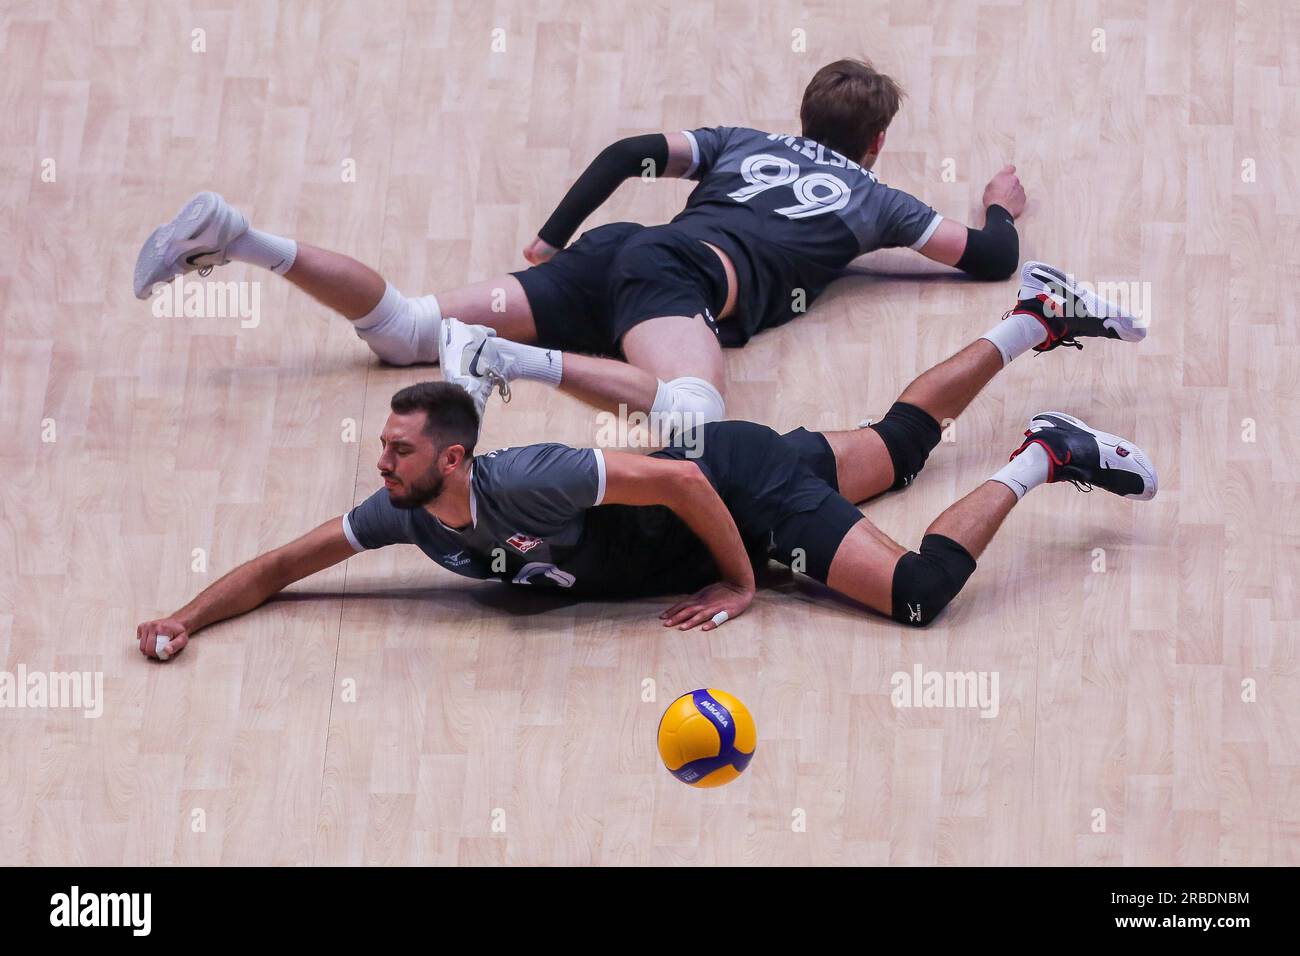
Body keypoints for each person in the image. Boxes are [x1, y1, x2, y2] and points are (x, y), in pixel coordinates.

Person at [135, 270, 1151, 660]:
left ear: (451, 458)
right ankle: (1035, 316)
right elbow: (278, 565)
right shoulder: (406, 513)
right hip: (729, 460)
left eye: (396, 449)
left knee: (921, 596)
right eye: (382, 447)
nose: (379, 460)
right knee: (895, 449)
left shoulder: (526, 476)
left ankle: (1043, 453)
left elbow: (677, 481)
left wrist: (745, 581)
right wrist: (186, 613)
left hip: (736, 491)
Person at [132, 59, 1025, 425]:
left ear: (803, 115)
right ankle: (513, 364)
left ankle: (241, 237)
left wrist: (553, 239)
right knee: (689, 420)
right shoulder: (878, 199)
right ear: (873, 144)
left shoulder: (744, 143)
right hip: (678, 284)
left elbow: (631, 153)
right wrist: (999, 204)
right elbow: (989, 260)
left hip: (615, 252)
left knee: (403, 331)